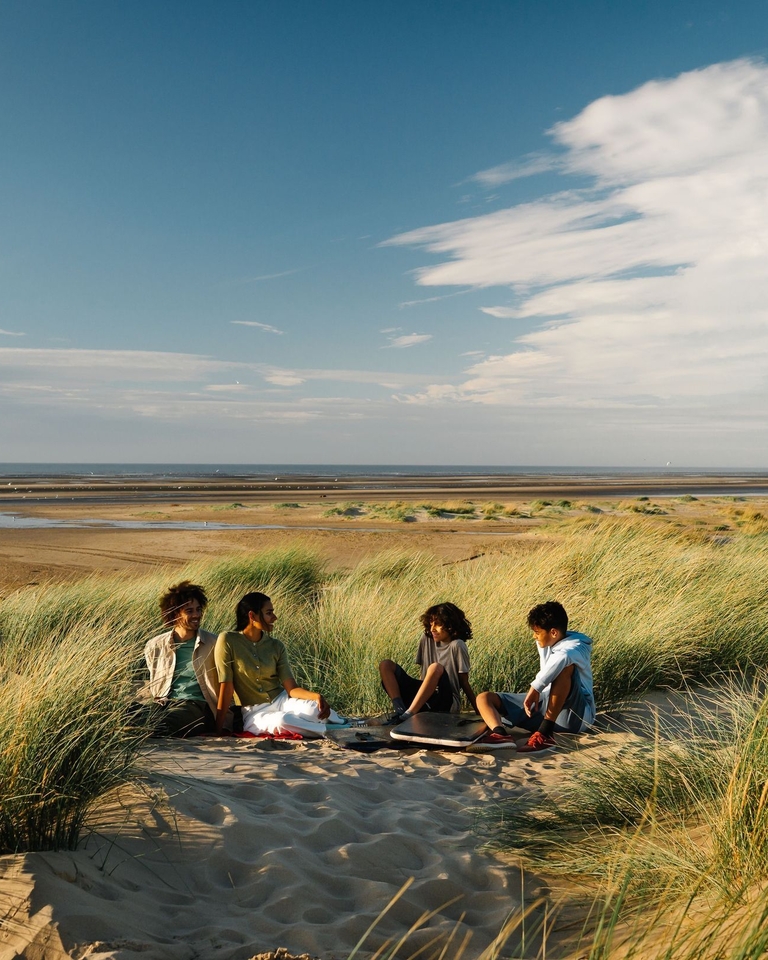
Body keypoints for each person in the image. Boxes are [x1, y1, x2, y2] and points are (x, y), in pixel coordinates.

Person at [214, 592, 342, 737]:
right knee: (283, 720)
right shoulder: (228, 640)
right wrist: (218, 729)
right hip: (255, 712)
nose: (274, 618)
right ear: (252, 616)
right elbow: (226, 686)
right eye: (269, 613)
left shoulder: (276, 646)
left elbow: (291, 688)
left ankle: (345, 723)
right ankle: (338, 731)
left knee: (314, 709)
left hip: (282, 700)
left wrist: (315, 696)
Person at [476, 600, 594, 753]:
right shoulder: (549, 641)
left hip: (576, 716)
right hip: (546, 703)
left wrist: (535, 688)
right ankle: (500, 735)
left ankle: (545, 734)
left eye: (537, 632)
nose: (534, 636)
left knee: (566, 668)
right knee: (484, 698)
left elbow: (563, 657)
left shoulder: (577, 646)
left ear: (553, 632)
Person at [142, 581, 233, 737]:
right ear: (175, 614)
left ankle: (146, 731)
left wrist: (221, 725)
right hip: (163, 703)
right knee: (129, 712)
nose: (196, 615)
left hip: (198, 706)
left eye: (198, 610)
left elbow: (228, 686)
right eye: (189, 611)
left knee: (167, 722)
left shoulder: (215, 644)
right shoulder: (155, 645)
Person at [378, 601, 477, 723]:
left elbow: (464, 682)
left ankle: (408, 714)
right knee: (386, 665)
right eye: (431, 623)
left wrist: (479, 710)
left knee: (435, 668)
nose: (432, 629)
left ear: (450, 625)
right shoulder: (426, 639)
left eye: (438, 624)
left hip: (446, 700)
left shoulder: (457, 645)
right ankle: (400, 710)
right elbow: (423, 674)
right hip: (424, 700)